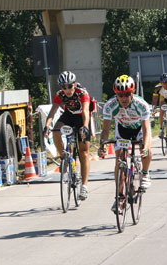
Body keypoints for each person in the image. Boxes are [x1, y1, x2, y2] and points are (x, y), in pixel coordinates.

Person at [98, 75, 153, 212]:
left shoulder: (142, 105)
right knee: (119, 160)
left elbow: (146, 131)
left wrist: (145, 147)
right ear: (116, 94)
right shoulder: (110, 106)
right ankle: (119, 197)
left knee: (147, 150)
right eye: (120, 95)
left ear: (132, 93)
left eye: (127, 94)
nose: (124, 98)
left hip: (139, 130)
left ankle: (145, 173)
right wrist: (102, 145)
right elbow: (105, 130)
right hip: (123, 130)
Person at [45, 71, 93, 200]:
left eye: (69, 86)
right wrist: (46, 126)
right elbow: (52, 112)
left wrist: (85, 127)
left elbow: (86, 111)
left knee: (83, 153)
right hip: (69, 115)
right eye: (63, 87)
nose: (67, 90)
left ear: (75, 84)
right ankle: (64, 158)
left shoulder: (82, 93)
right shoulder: (59, 95)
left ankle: (84, 186)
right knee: (55, 131)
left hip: (82, 117)